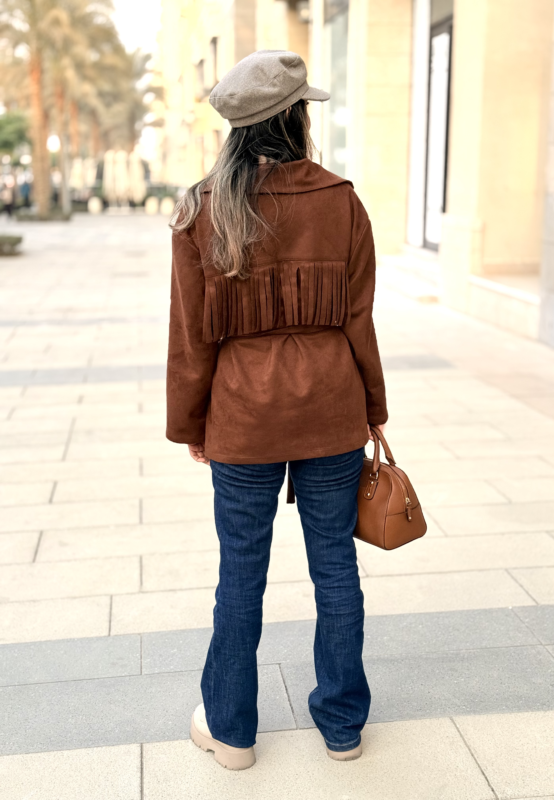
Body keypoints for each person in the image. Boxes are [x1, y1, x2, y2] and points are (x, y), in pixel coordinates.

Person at [166, 49, 388, 771]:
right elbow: (359, 319)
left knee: (241, 575)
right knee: (335, 569)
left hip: (241, 415)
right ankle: (343, 726)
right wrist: (374, 408)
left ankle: (231, 733)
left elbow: (192, 335)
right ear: (296, 117)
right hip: (331, 407)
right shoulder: (341, 200)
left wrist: (191, 423)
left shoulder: (201, 208)